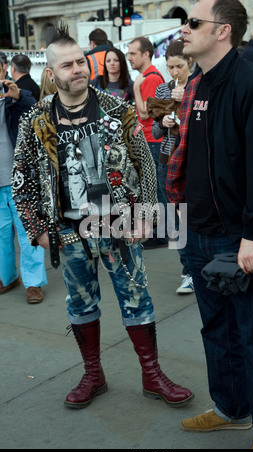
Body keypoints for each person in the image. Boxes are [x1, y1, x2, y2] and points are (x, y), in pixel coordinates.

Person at [12, 23, 194, 410]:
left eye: (81, 61)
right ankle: (93, 374)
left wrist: (146, 215)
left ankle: (152, 374)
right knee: (80, 305)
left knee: (138, 300)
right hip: (69, 229)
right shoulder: (36, 121)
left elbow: (145, 163)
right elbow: (21, 180)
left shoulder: (116, 108)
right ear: (52, 74)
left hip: (121, 225)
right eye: (68, 65)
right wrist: (37, 230)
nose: (78, 69)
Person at [166, 0, 253, 450]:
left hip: (239, 235)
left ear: (223, 31)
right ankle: (232, 410)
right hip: (198, 229)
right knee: (216, 331)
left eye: (194, 23)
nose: (184, 29)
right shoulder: (197, 83)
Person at [0, 58, 47, 304]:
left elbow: (36, 114)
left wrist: (18, 97)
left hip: (20, 181)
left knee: (29, 232)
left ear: (4, 69)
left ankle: (34, 283)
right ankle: (7, 278)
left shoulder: (18, 96)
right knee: (1, 235)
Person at [150, 39, 195, 295]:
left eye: (178, 66)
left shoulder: (199, 85)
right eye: (170, 67)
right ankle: (187, 270)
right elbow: (155, 130)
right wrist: (164, 122)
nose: (174, 72)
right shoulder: (163, 90)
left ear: (190, 62)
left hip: (193, 160)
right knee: (175, 218)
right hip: (168, 158)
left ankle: (200, 265)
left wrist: (187, 97)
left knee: (195, 214)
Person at [128, 36, 167, 248]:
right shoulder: (147, 77)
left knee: (156, 189)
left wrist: (136, 89)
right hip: (150, 140)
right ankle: (159, 233)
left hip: (152, 141)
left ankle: (160, 235)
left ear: (146, 54)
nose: (129, 58)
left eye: (133, 53)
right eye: (129, 53)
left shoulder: (149, 78)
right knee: (153, 188)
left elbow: (145, 114)